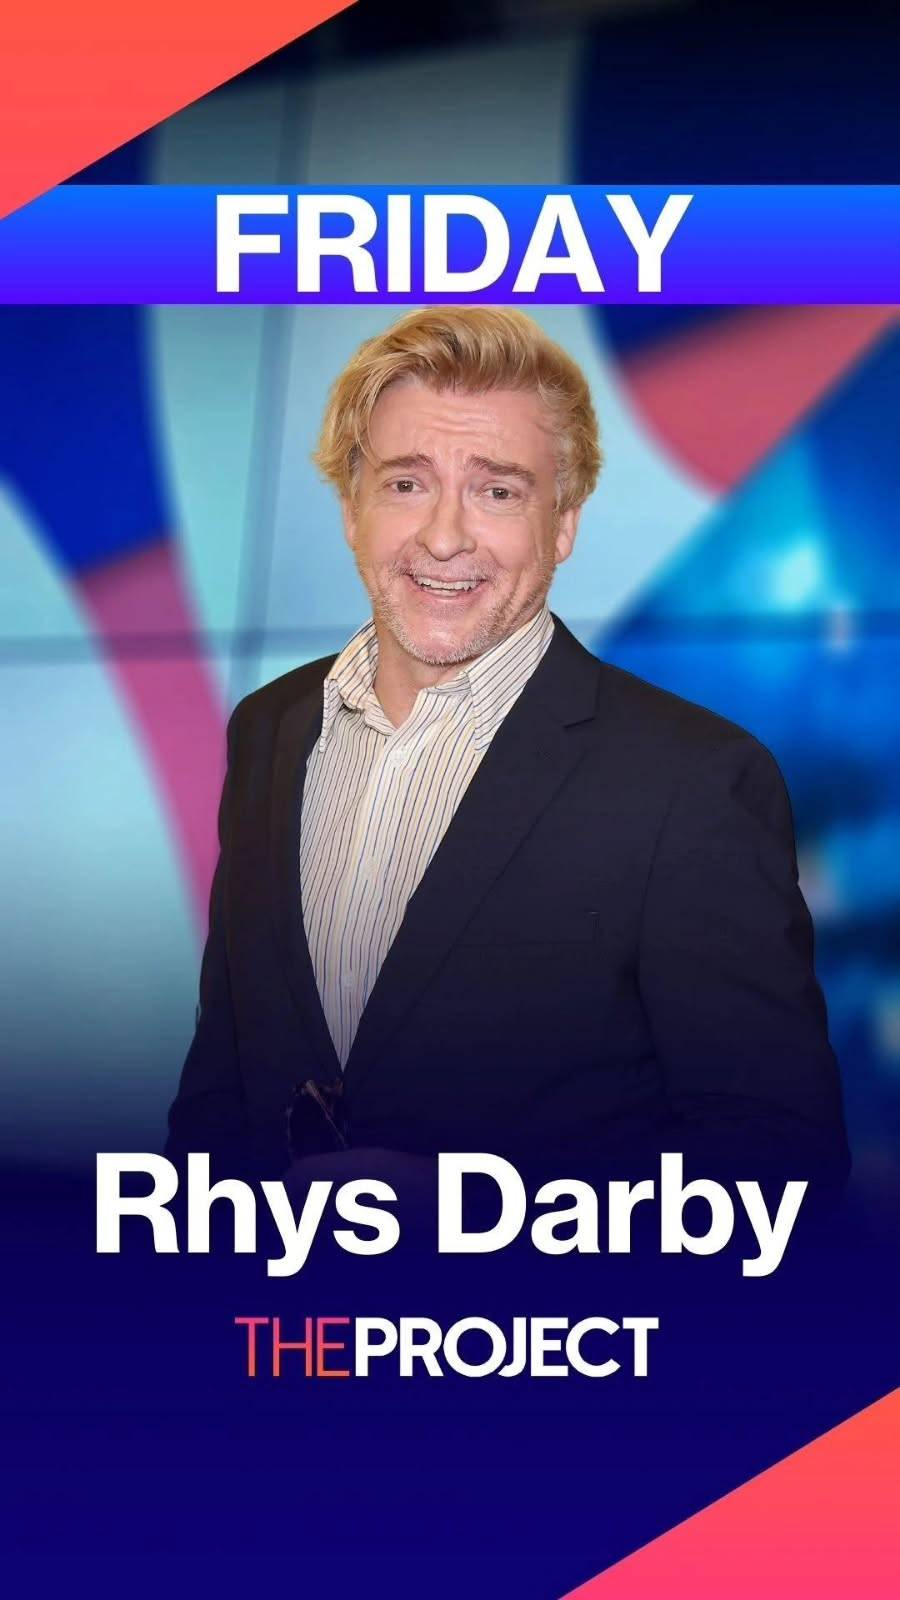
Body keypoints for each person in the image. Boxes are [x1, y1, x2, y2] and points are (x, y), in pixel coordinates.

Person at [166, 306, 849, 1187]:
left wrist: (481, 1227)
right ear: (351, 507)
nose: (444, 537)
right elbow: (220, 1100)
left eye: (497, 491)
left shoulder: (694, 781)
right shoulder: (271, 730)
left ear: (563, 524)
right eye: (406, 483)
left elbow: (783, 1177)